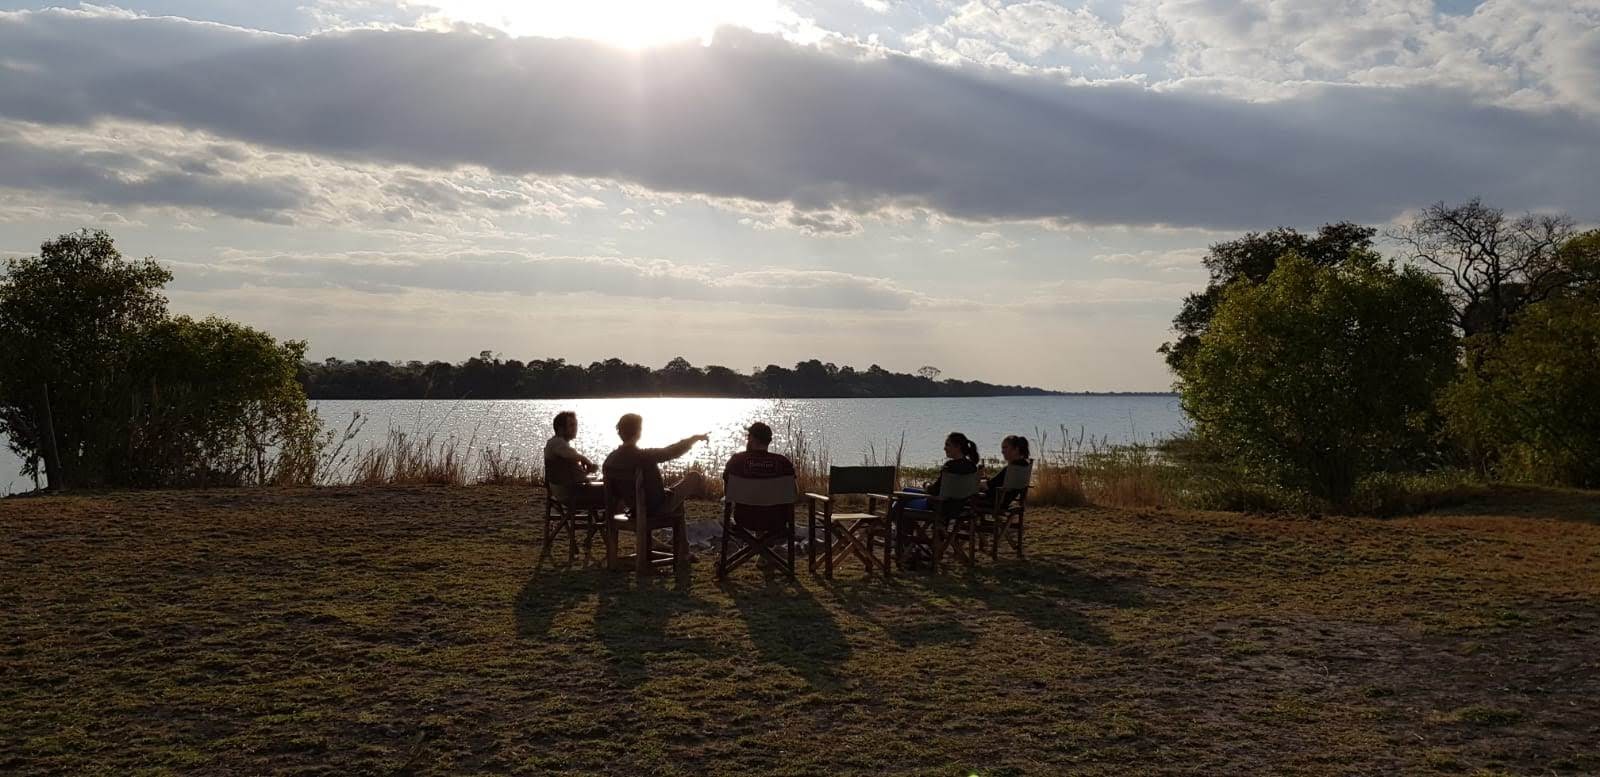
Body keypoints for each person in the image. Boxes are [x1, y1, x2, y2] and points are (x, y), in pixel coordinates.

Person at [602, 413, 710, 517]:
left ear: (620, 432)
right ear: (638, 432)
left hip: (633, 510)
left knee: (671, 492)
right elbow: (671, 452)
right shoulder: (643, 456)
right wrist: (694, 438)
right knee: (694, 476)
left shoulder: (610, 460)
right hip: (657, 508)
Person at [722, 421, 796, 533]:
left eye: (748, 436)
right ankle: (765, 541)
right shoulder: (783, 462)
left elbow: (728, 492)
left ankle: (755, 540)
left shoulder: (737, 461)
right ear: (769, 441)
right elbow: (794, 493)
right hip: (776, 521)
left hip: (745, 520)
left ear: (752, 439)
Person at [899, 432, 981, 512]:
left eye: (947, 445)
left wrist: (927, 485)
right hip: (961, 506)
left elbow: (935, 490)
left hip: (940, 506)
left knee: (901, 501)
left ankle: (896, 518)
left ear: (958, 447)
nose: (944, 448)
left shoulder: (950, 466)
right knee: (906, 490)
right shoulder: (972, 467)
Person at [543, 411, 603, 506]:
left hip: (565, 490)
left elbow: (570, 473)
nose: (575, 428)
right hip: (571, 494)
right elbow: (572, 456)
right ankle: (613, 515)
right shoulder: (557, 443)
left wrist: (586, 472)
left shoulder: (555, 443)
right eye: (571, 425)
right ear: (560, 429)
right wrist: (586, 461)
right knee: (615, 490)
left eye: (575, 425)